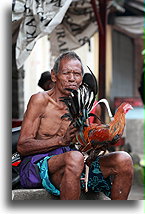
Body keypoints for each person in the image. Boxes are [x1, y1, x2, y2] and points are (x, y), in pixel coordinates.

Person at [17, 51, 133, 200]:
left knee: (123, 159)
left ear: (81, 79)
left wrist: (98, 142)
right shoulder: (40, 100)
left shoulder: (81, 105)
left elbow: (82, 145)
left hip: (73, 165)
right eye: (66, 73)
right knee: (75, 157)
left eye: (77, 74)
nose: (72, 78)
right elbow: (22, 146)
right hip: (38, 166)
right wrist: (60, 141)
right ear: (54, 75)